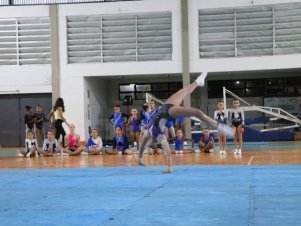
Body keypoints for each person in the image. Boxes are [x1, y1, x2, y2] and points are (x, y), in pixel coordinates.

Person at [138, 72, 234, 173]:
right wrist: (169, 168)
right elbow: (168, 152)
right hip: (168, 113)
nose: (149, 143)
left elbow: (143, 144)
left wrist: (140, 158)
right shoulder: (161, 136)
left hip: (165, 106)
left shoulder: (147, 131)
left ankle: (198, 81)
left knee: (183, 91)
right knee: (196, 112)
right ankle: (220, 126)